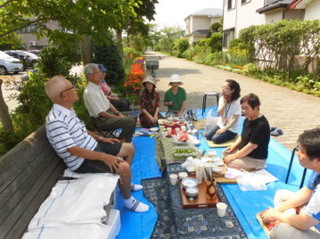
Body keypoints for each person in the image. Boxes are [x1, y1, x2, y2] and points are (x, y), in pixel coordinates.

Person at [44, 76, 148, 212]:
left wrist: (101, 138)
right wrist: (105, 157)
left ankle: (125, 183)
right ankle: (128, 201)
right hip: (82, 161)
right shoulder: (55, 121)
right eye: (72, 87)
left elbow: (82, 130)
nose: (75, 89)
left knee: (129, 149)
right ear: (63, 95)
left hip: (93, 147)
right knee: (123, 167)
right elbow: (73, 150)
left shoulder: (68, 110)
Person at [260, 128, 320, 239]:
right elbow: (306, 192)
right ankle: (289, 222)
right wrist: (277, 210)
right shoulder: (317, 170)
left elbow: (304, 223)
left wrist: (275, 214)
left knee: (280, 231)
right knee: (282, 194)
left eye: (301, 151)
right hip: (312, 218)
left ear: (318, 160)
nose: (297, 153)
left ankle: (286, 225)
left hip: (310, 224)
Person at [83, 63, 136, 143]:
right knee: (130, 121)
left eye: (100, 72)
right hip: (102, 121)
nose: (101, 75)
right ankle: (121, 142)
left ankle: (122, 140)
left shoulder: (97, 87)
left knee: (134, 115)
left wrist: (118, 113)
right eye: (98, 72)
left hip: (108, 115)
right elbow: (101, 113)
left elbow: (108, 103)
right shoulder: (89, 92)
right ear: (89, 77)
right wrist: (118, 118)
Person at [223, 93, 270, 170]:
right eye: (242, 108)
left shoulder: (261, 125)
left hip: (255, 159)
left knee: (228, 163)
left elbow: (251, 146)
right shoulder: (248, 118)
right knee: (225, 153)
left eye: (246, 108)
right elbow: (242, 136)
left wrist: (233, 156)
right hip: (245, 153)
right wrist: (233, 146)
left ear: (256, 107)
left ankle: (257, 166)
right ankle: (239, 159)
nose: (244, 111)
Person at [205, 79, 241, 144]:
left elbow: (234, 119)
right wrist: (224, 104)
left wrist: (224, 129)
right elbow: (219, 114)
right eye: (223, 87)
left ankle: (233, 135)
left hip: (231, 128)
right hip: (221, 124)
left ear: (232, 90)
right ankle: (223, 134)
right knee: (207, 136)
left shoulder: (237, 102)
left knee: (215, 139)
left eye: (226, 88)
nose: (223, 89)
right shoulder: (222, 98)